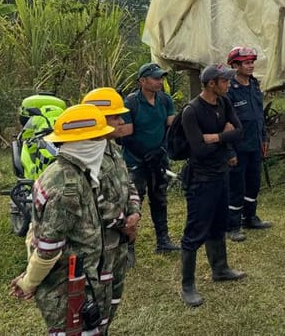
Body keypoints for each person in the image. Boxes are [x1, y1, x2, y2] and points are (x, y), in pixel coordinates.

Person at [9, 104, 113, 335]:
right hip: (67, 287)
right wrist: (29, 281)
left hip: (81, 280)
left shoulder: (69, 172)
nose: (104, 144)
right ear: (85, 144)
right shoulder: (68, 187)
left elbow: (36, 227)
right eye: (99, 139)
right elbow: (48, 247)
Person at [178, 64, 247, 307]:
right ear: (211, 84)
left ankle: (220, 268)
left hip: (221, 174)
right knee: (195, 231)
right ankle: (187, 286)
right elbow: (199, 149)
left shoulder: (224, 103)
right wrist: (224, 133)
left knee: (219, 224)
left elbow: (239, 131)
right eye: (224, 81)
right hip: (200, 179)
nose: (229, 84)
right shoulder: (192, 111)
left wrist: (217, 136)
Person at [82, 87, 142, 328]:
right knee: (92, 306)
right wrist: (123, 223)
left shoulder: (114, 149)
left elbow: (128, 184)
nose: (121, 122)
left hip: (118, 243)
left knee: (112, 299)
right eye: (115, 117)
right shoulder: (83, 155)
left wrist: (135, 212)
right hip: (97, 246)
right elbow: (91, 198)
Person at [120, 62, 180, 253]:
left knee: (159, 198)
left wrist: (161, 150)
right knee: (132, 202)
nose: (159, 81)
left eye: (161, 78)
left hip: (159, 159)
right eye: (155, 78)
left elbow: (171, 128)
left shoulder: (165, 100)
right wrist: (144, 155)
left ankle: (163, 241)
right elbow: (126, 136)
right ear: (142, 81)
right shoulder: (131, 103)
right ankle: (127, 247)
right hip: (136, 162)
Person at [224, 46, 272, 242]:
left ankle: (250, 218)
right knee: (236, 187)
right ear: (235, 65)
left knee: (253, 184)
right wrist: (229, 151)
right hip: (238, 147)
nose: (251, 65)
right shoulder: (229, 91)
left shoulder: (254, 85)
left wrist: (264, 138)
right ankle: (232, 226)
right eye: (246, 62)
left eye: (252, 62)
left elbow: (259, 116)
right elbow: (225, 123)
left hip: (255, 144)